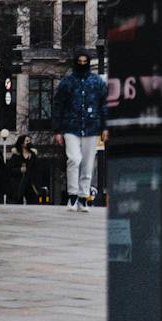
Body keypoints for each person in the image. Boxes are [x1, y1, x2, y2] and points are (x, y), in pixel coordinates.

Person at [53, 49, 109, 212]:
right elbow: (58, 105)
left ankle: (83, 196)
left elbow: (104, 105)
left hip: (91, 127)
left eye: (85, 61)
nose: (83, 64)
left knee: (87, 163)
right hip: (71, 126)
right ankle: (73, 195)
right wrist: (57, 130)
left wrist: (105, 127)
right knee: (74, 159)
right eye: (80, 61)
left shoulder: (97, 82)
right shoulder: (67, 83)